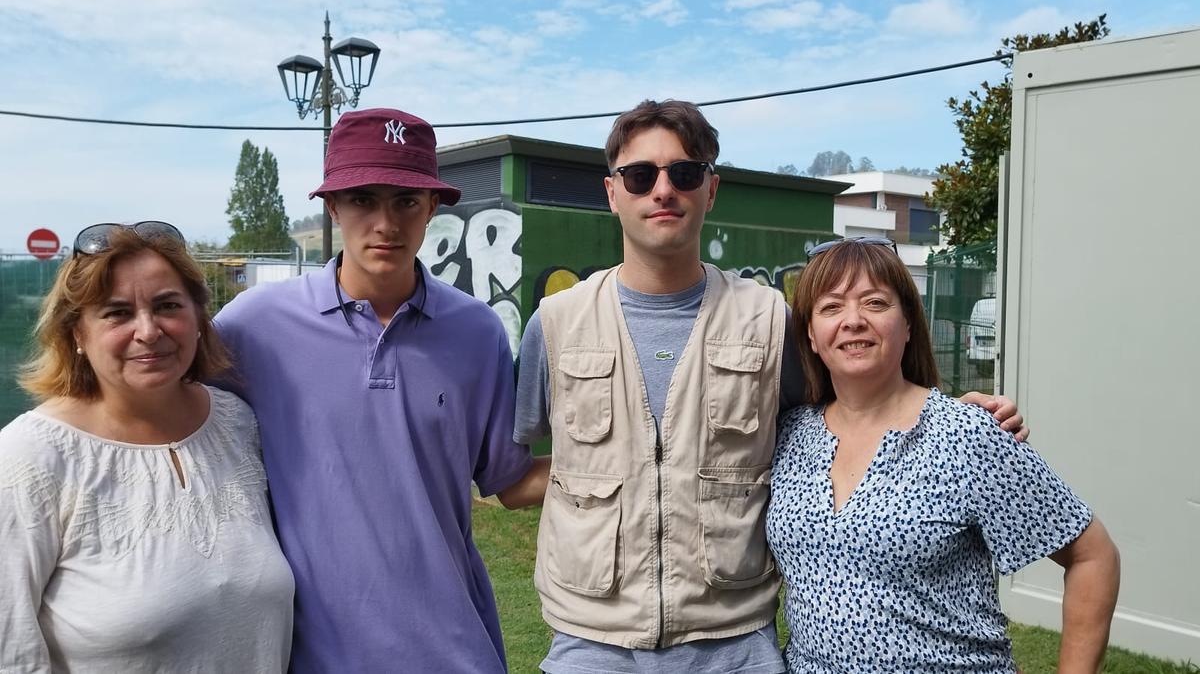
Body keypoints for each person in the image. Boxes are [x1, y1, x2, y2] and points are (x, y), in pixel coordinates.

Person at [514, 100, 1027, 674]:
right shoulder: (555, 323)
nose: (663, 190)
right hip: (592, 641)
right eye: (640, 175)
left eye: (684, 173)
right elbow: (514, 473)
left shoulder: (768, 319)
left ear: (710, 190)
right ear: (613, 192)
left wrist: (943, 419)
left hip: (733, 642)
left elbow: (847, 410)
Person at [213, 108, 548, 673]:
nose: (386, 223)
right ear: (332, 207)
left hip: (454, 652)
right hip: (310, 658)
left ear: (433, 209)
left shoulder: (476, 332)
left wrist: (639, 463)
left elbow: (508, 482)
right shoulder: (252, 327)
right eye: (364, 200)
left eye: (406, 202)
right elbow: (165, 417)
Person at [768, 237, 1120, 672]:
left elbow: (1093, 556)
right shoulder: (789, 434)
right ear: (811, 333)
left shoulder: (966, 434)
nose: (853, 321)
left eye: (875, 303)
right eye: (831, 307)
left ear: (909, 323)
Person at [0, 222, 294, 671]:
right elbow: (11, 648)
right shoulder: (31, 457)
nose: (148, 330)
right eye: (117, 313)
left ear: (198, 318)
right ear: (77, 334)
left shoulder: (237, 423)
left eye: (168, 305)